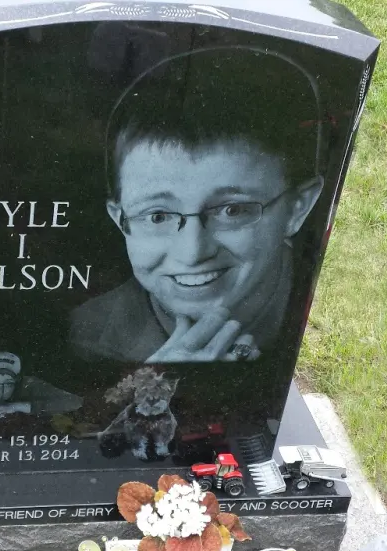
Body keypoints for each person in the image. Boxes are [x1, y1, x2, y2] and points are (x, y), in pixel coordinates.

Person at [70, 46, 326, 364]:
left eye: (232, 210)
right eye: (158, 215)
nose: (193, 253)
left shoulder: (328, 311)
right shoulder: (86, 336)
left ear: (297, 208)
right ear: (119, 218)